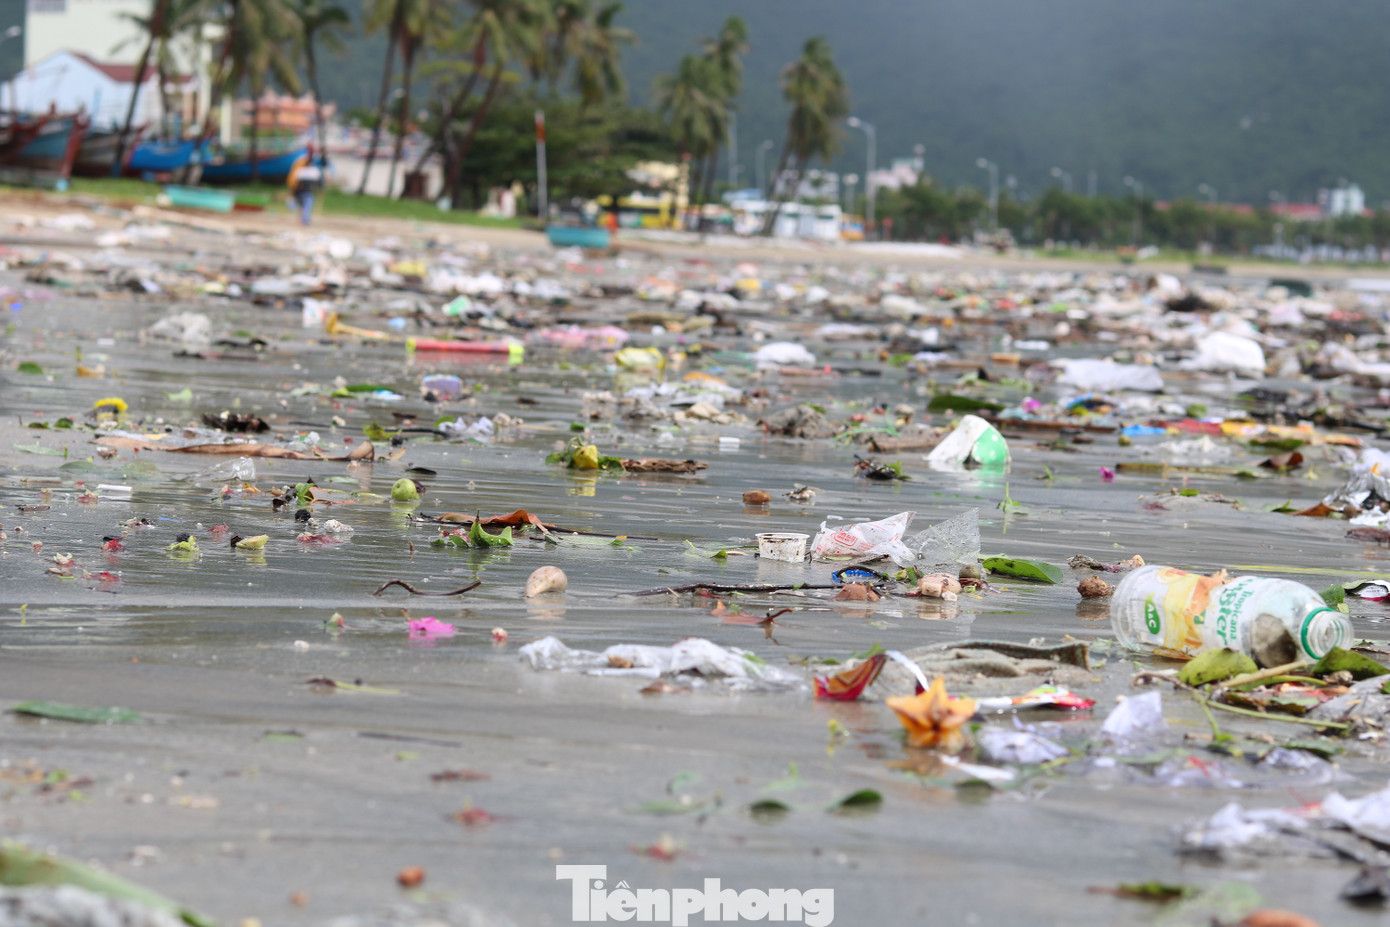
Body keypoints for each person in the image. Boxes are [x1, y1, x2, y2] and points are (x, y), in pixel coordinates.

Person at [287, 146, 324, 226]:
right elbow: (319, 182)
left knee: (300, 206)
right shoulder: (314, 171)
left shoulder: (300, 171)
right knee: (307, 206)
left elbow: (294, 184)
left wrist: (292, 192)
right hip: (307, 192)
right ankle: (305, 220)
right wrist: (320, 190)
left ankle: (302, 218)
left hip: (299, 192)